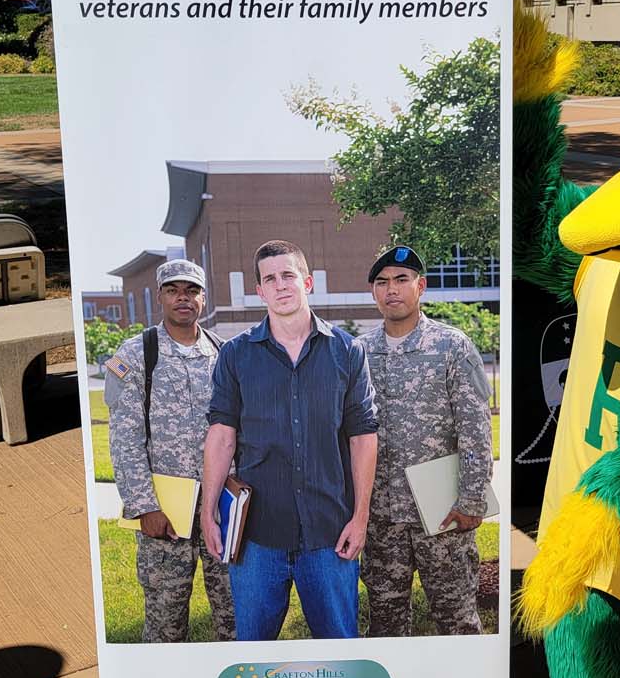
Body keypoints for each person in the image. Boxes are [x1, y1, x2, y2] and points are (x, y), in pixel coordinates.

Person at [201, 240, 378, 640]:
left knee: (340, 650)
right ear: (259, 291)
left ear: (308, 282)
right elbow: (221, 436)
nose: (280, 285)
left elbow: (362, 438)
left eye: (288, 275)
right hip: (258, 537)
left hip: (329, 533)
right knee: (253, 650)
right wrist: (208, 511)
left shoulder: (348, 352)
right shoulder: (235, 355)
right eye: (269, 279)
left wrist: (360, 517)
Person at [361, 246, 493, 636]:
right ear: (374, 293)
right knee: (385, 622)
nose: (392, 290)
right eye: (382, 282)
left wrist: (471, 500)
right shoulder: (359, 352)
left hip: (442, 512)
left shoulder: (451, 346)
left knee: (456, 619)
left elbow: (475, 427)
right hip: (382, 516)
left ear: (421, 286)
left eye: (401, 280)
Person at [105, 259, 235, 644]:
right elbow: (124, 438)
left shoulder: (223, 353)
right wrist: (144, 505)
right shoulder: (135, 353)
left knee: (236, 616)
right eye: (174, 290)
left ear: (203, 297)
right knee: (165, 620)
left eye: (192, 290)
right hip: (166, 510)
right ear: (160, 296)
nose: (184, 298)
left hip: (220, 508)